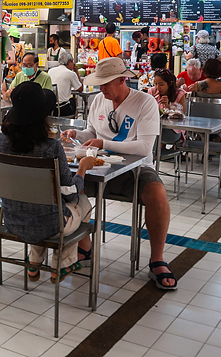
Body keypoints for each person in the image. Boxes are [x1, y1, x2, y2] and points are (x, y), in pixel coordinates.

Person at [60, 58, 176, 290]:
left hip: (135, 168)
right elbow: (91, 131)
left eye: (106, 84)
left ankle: (157, 259)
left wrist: (104, 142)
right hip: (97, 165)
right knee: (67, 187)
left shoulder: (145, 103)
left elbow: (144, 147)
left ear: (123, 80)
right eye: (99, 84)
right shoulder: (98, 101)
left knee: (157, 192)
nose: (101, 88)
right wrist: (78, 134)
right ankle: (85, 246)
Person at [0, 82, 95, 283]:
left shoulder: (0, 141)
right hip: (50, 226)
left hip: (12, 220)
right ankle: (62, 263)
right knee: (83, 203)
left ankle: (34, 261)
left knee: (37, 205)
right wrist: (83, 168)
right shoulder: (51, 148)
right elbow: (70, 194)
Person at [48, 52, 82, 117]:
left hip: (51, 108)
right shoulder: (71, 74)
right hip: (63, 109)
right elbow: (80, 89)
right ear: (69, 62)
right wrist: (76, 71)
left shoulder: (50, 71)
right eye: (72, 62)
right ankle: (72, 120)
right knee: (74, 100)